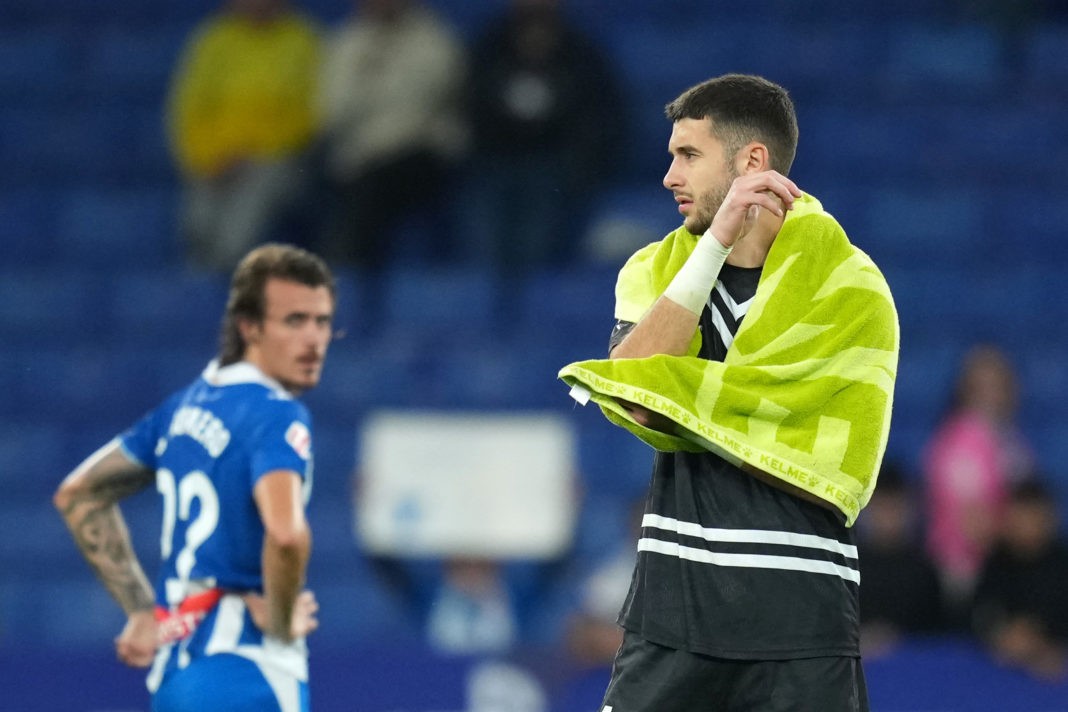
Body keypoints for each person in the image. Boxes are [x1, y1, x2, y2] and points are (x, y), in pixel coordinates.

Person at [557, 74, 899, 711]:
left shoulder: (852, 288)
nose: (669, 176)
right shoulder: (654, 270)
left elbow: (838, 472)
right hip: (673, 605)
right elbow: (631, 391)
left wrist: (686, 406)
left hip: (804, 615)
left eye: (688, 155)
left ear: (752, 162)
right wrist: (714, 246)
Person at [53, 244, 336, 711]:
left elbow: (78, 494)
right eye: (294, 321)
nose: (314, 340)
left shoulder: (182, 409)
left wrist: (144, 613)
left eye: (322, 321)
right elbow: (286, 535)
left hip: (177, 676)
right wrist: (282, 624)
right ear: (249, 327)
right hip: (249, 672)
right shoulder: (277, 415)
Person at [461, 0, 626, 278]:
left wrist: (578, 164)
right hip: (492, 163)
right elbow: (467, 107)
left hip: (555, 167)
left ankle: (534, 308)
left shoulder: (582, 51)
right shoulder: (488, 47)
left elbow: (602, 119)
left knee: (537, 244)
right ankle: (484, 312)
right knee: (480, 247)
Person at [167, 0, 322, 271]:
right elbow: (188, 109)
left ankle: (226, 273)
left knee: (244, 213)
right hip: (216, 159)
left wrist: (253, 151)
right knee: (199, 219)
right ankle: (200, 281)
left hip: (278, 158)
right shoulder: (213, 41)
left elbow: (309, 113)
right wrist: (209, 157)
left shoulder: (304, 41)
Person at [315, 0, 468, 273]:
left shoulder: (433, 39)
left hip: (416, 154)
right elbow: (332, 111)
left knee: (374, 188)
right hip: (356, 159)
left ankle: (341, 270)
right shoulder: (346, 42)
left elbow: (420, 103)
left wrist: (373, 80)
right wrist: (366, 74)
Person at [922, 343, 1036, 625]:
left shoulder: (1011, 440)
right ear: (964, 391)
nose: (992, 395)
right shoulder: (959, 441)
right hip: (963, 571)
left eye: (998, 385)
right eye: (982, 386)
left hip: (1007, 565)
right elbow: (973, 525)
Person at [971, 478, 1068, 681]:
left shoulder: (1061, 564)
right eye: (1021, 516)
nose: (1027, 525)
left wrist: (1042, 641)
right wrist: (1000, 633)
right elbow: (979, 611)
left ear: (1049, 519)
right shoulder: (998, 561)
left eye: (1034, 517)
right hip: (1000, 675)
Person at [856, 461, 945, 657]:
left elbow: (938, 634)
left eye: (894, 507)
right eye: (882, 507)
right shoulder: (850, 564)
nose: (888, 517)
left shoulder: (923, 570)